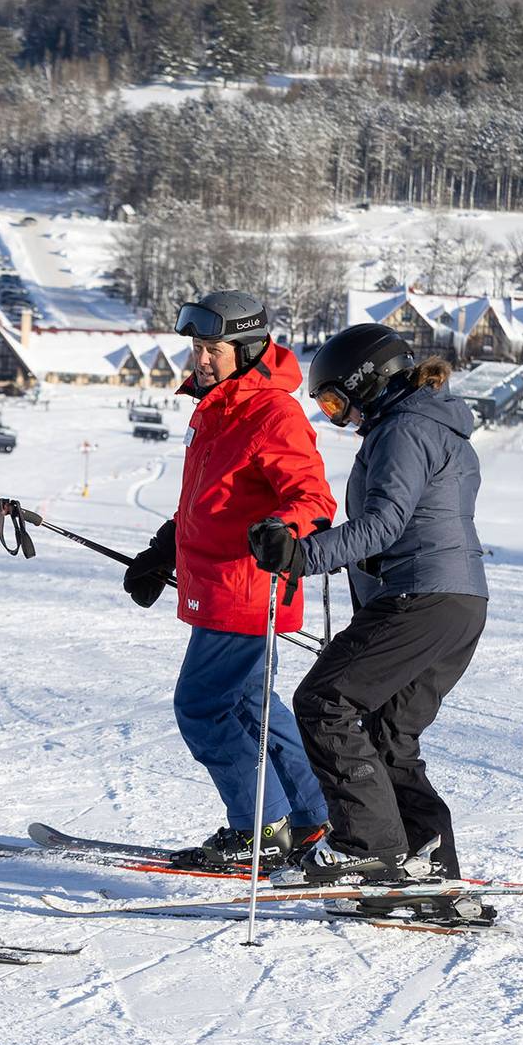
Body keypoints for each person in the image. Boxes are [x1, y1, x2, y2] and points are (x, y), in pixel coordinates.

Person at [248, 322, 488, 886]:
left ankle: (369, 847)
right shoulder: (439, 428)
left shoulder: (403, 430)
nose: (341, 418)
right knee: (387, 732)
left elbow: (383, 525)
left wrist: (301, 556)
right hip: (459, 602)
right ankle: (424, 855)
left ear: (371, 383)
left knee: (325, 700)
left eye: (337, 402)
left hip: (420, 597)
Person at [122, 289, 335, 869]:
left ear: (246, 348)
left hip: (247, 586)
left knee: (202, 707)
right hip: (216, 584)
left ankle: (258, 830)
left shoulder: (272, 412)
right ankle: (311, 818)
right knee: (251, 704)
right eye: (196, 347)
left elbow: (314, 500)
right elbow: (207, 499)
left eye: (213, 349)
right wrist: (163, 550)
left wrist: (282, 531)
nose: (200, 359)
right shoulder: (216, 406)